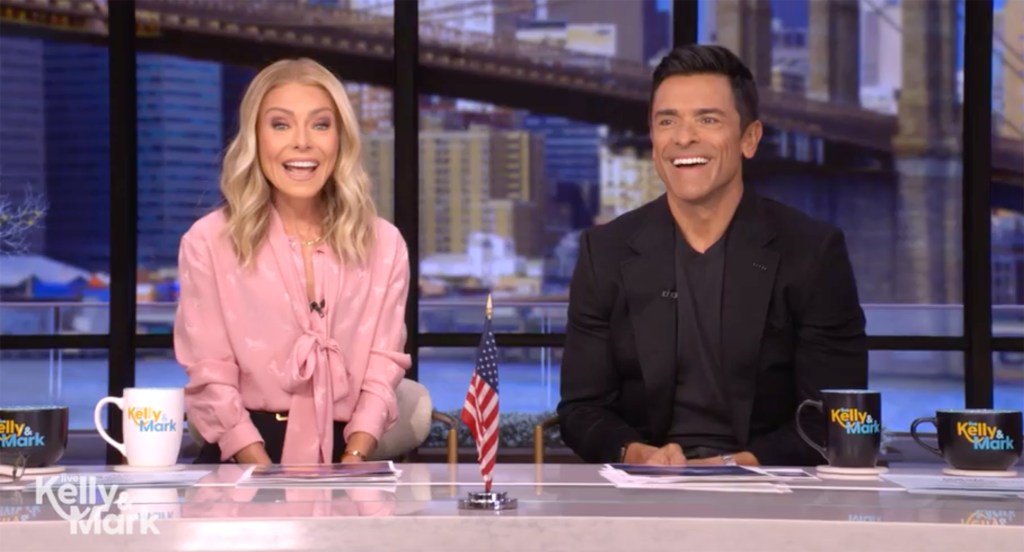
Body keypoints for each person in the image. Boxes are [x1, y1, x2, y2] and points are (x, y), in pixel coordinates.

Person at [557, 45, 868, 467]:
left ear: (749, 138)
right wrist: (642, 456)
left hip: (771, 484)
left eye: (708, 119)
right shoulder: (605, 251)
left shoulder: (811, 251)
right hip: (645, 485)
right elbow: (582, 411)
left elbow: (835, 414)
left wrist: (732, 466)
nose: (683, 138)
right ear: (653, 139)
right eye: (667, 121)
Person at [174, 58, 411, 466]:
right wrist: (261, 472)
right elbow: (210, 372)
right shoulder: (208, 242)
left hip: (349, 457)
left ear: (340, 139)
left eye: (320, 124)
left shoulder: (384, 244)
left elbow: (383, 367)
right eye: (281, 124)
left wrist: (353, 460)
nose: (302, 142)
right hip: (243, 462)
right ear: (255, 137)